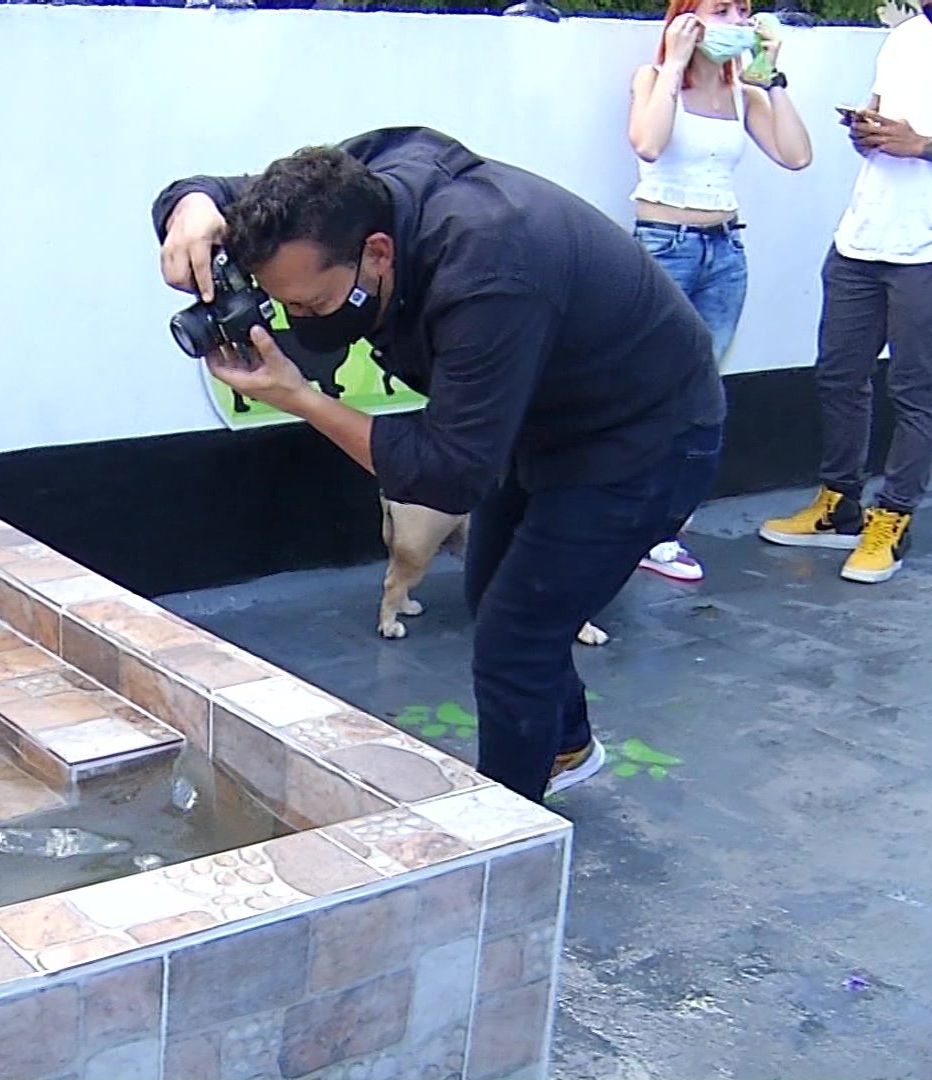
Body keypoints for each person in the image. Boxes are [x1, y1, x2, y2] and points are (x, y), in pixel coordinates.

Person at [150, 128, 725, 804]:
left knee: (516, 636)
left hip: (646, 435)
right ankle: (564, 745)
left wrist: (300, 398)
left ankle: (506, 841)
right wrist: (190, 204)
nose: (296, 319)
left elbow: (449, 474)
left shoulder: (490, 272)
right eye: (283, 303)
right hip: (545, 418)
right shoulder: (342, 195)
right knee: (494, 591)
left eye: (311, 304)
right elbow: (227, 200)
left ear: (377, 253)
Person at [760, 0, 932, 582]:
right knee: (838, 373)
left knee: (916, 386)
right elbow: (886, 124)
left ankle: (894, 516)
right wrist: (869, 132)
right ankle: (839, 505)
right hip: (867, 229)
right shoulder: (906, 36)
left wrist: (922, 145)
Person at [627, 0, 813, 583]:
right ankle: (623, 519)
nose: (735, 19)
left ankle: (664, 530)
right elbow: (647, 144)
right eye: (721, 8)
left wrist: (771, 75)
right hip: (664, 245)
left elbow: (797, 155)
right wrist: (675, 61)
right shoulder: (653, 80)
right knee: (646, 391)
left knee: (700, 397)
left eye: (743, 9)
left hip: (725, 249)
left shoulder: (742, 94)